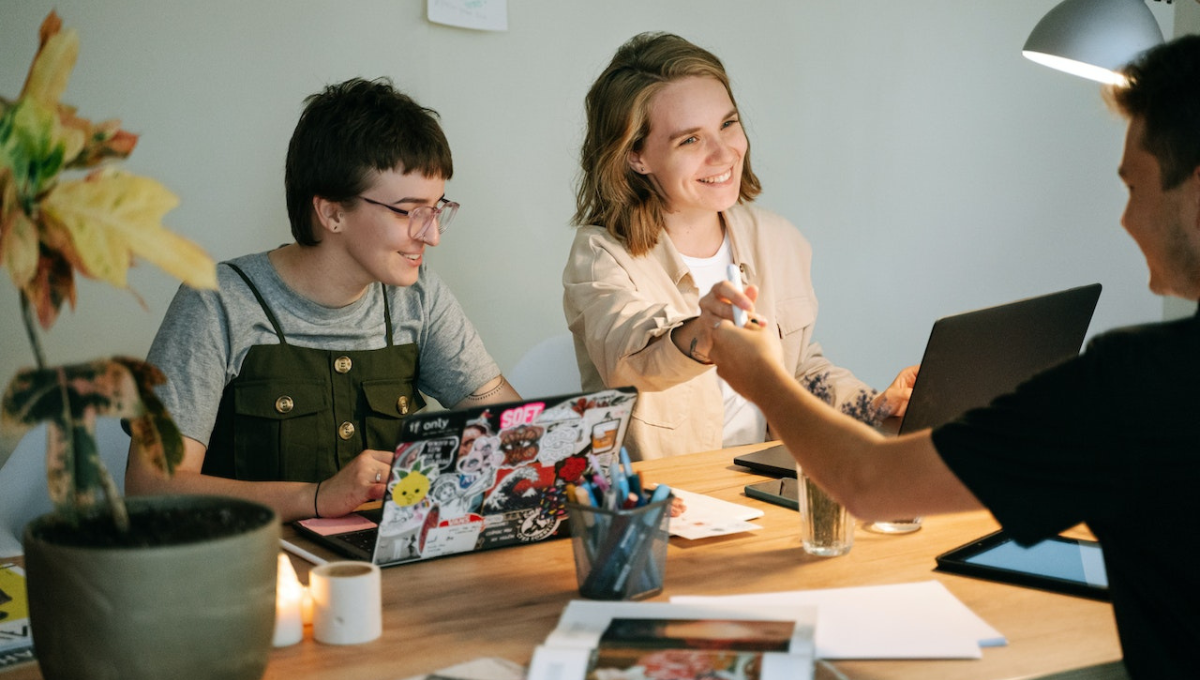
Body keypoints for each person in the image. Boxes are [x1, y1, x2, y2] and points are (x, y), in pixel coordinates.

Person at [708, 34, 1200, 679]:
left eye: (1135, 188)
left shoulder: (1140, 383)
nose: (1126, 220)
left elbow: (871, 485)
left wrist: (759, 374)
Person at [126, 78, 520, 522]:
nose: (431, 234)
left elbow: (515, 431)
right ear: (332, 213)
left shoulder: (420, 297)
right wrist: (315, 497)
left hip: (390, 573)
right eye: (410, 211)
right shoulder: (217, 303)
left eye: (437, 209)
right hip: (252, 573)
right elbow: (151, 488)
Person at [562, 32, 917, 461]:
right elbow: (630, 359)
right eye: (689, 139)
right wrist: (706, 332)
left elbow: (799, 370)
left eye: (728, 124)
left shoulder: (778, 238)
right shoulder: (601, 256)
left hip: (765, 485)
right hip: (669, 500)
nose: (724, 153)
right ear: (636, 156)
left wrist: (877, 405)